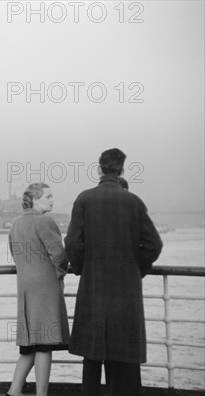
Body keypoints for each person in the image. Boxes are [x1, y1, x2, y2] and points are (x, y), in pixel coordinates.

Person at [65, 148, 163, 396]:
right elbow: (154, 244)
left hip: (93, 289)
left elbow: (73, 244)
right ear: (122, 170)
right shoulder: (134, 202)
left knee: (93, 354)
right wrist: (136, 269)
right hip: (125, 293)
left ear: (99, 169)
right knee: (125, 355)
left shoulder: (84, 199)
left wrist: (81, 269)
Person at [6, 182, 69, 396]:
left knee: (30, 343)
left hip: (25, 286)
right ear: (34, 199)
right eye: (47, 196)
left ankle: (14, 390)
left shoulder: (16, 224)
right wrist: (60, 272)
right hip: (45, 287)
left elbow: (14, 254)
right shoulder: (45, 221)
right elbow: (59, 254)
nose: (52, 200)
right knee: (43, 343)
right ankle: (42, 394)